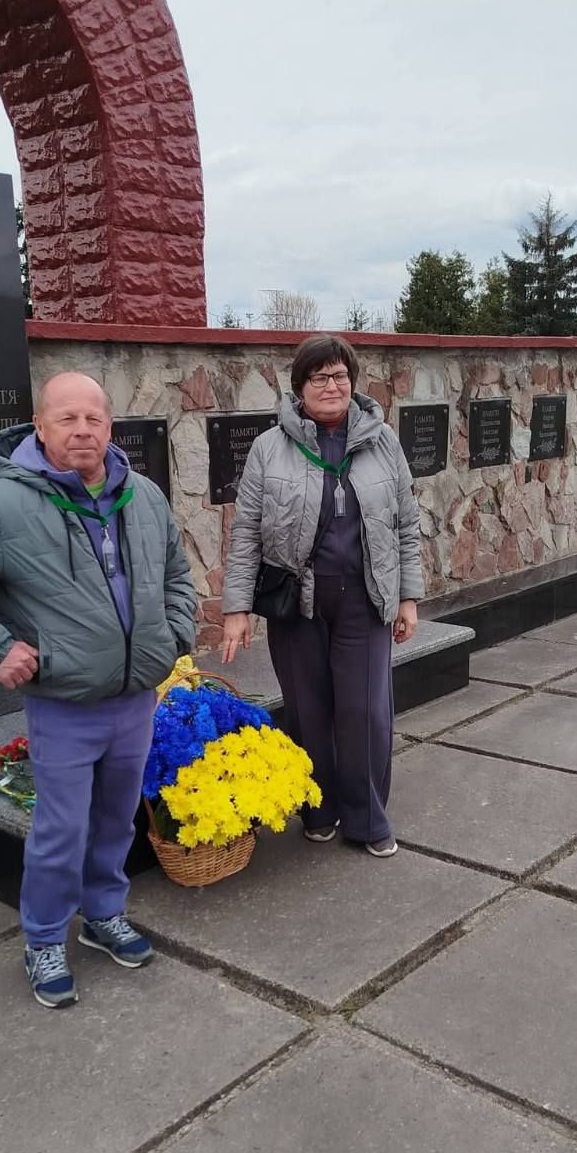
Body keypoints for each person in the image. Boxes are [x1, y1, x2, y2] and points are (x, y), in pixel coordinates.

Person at [0, 372, 196, 1008]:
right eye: (67, 418)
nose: (82, 430)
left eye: (94, 419)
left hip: (135, 697)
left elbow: (177, 573)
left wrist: (173, 634)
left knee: (116, 819)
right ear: (40, 426)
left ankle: (103, 914)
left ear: (109, 427)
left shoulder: (144, 496)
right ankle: (43, 938)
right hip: (64, 704)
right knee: (61, 831)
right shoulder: (2, 505)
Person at [221, 335, 422, 856]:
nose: (331, 386)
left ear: (352, 382)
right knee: (308, 710)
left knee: (365, 713)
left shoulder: (384, 442)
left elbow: (406, 524)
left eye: (339, 376)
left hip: (364, 599)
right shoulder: (270, 447)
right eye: (319, 377)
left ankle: (367, 818)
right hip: (296, 604)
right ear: (299, 387)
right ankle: (319, 807)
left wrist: (408, 597)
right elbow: (246, 532)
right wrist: (236, 607)